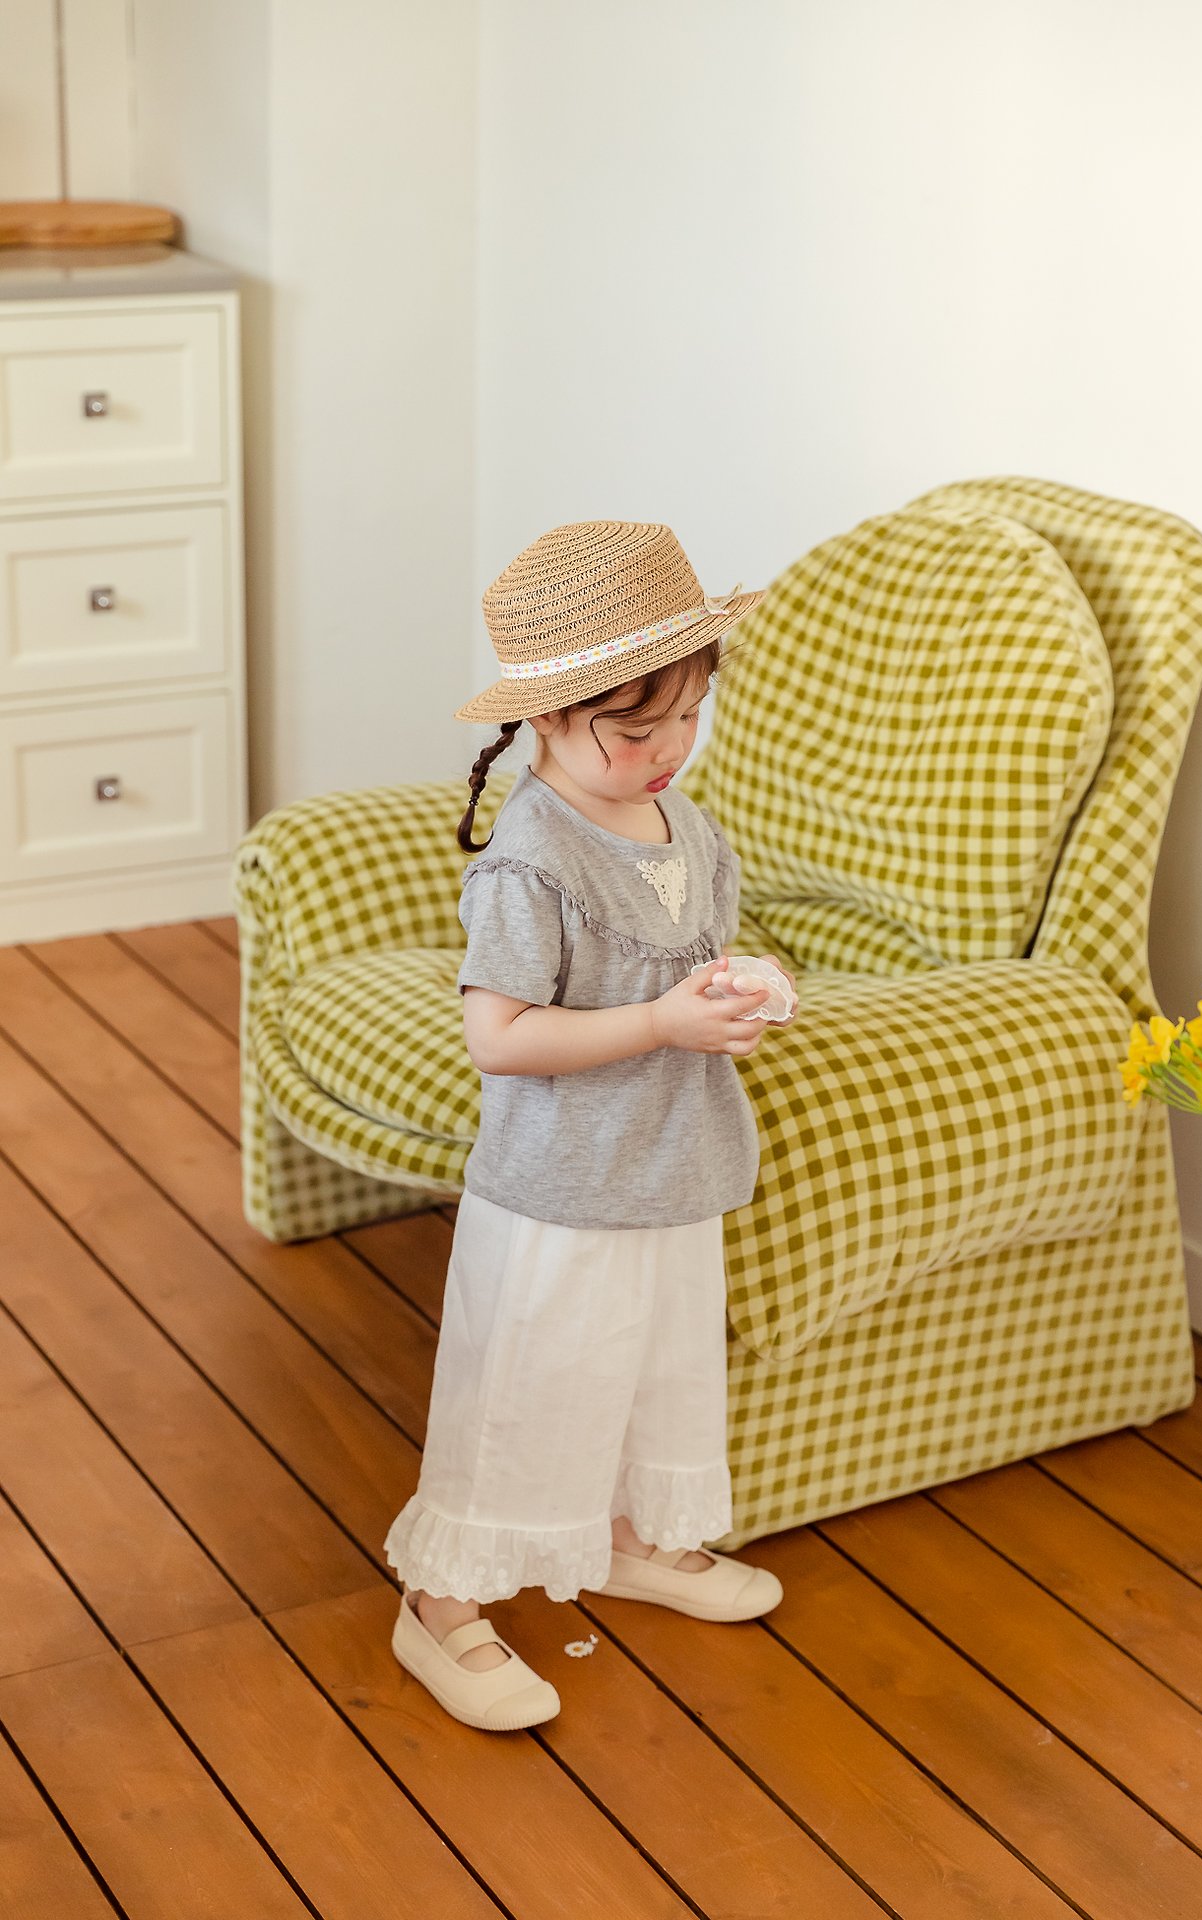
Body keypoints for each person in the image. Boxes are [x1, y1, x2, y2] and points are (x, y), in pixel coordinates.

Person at [383, 520, 799, 1732]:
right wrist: (663, 1022)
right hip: (560, 1191)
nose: (668, 750)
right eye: (633, 730)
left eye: (689, 717)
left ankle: (624, 1537)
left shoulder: (687, 827)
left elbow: (689, 966)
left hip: (671, 1167)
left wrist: (736, 995)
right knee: (529, 1381)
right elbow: (500, 1036)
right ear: (548, 719)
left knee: (651, 1364)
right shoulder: (532, 861)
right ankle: (440, 1598)